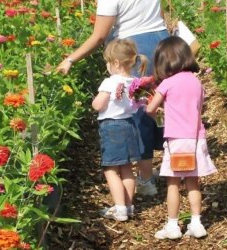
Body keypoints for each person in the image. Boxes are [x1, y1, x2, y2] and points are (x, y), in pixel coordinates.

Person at [56, 0, 170, 196]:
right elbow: (160, 14)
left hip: (136, 46)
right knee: (162, 105)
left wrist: (70, 59)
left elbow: (99, 36)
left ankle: (145, 179)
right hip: (162, 41)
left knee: (139, 114)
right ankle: (176, 166)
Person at [146, 36, 217, 239]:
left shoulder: (167, 83)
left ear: (163, 61)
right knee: (193, 182)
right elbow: (194, 108)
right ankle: (196, 223)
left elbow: (151, 109)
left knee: (174, 183)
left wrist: (147, 104)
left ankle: (173, 225)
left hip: (177, 140)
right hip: (197, 138)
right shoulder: (196, 82)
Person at [92, 38, 147, 221]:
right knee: (126, 168)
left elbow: (99, 105)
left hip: (111, 127)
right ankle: (129, 205)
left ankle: (120, 208)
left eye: (108, 62)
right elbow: (137, 104)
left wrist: (94, 102)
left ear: (115, 63)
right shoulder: (134, 81)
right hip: (129, 125)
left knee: (110, 169)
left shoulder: (110, 82)